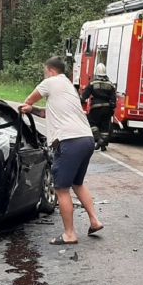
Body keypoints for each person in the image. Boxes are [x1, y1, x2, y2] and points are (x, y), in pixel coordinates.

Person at [20, 57, 105, 245]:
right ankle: (94, 220)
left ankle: (69, 234)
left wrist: (26, 106)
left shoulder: (50, 82)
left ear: (50, 70)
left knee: (61, 189)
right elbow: (46, 113)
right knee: (77, 183)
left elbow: (28, 100)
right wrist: (32, 110)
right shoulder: (68, 87)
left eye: (45, 71)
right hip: (86, 139)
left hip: (69, 142)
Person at [81, 64, 117, 151]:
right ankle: (103, 145)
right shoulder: (110, 85)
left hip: (96, 108)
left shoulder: (93, 83)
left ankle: (99, 139)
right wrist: (112, 107)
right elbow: (113, 98)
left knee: (91, 123)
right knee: (104, 127)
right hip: (107, 108)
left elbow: (85, 95)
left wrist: (80, 101)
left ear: (96, 72)